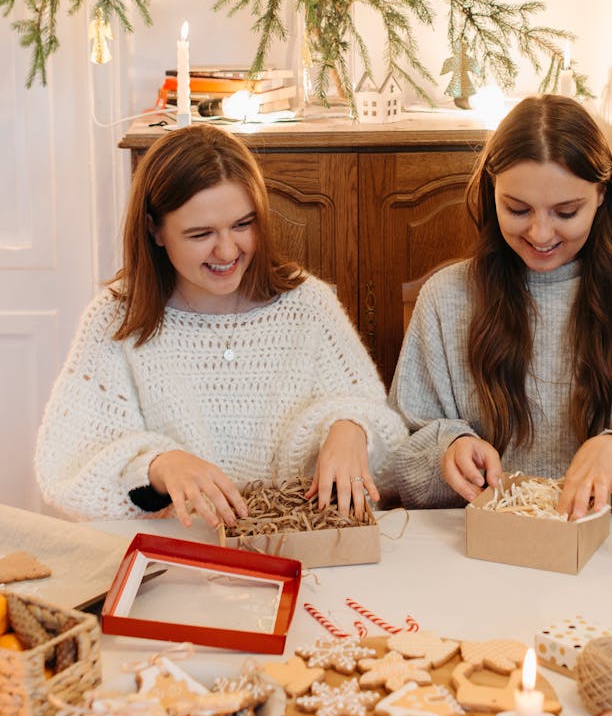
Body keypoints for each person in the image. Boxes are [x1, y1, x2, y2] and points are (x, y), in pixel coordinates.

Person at [35, 123, 406, 528]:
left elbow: (385, 433)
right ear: (153, 229)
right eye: (201, 234)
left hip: (304, 552)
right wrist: (159, 465)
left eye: (243, 225)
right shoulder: (116, 321)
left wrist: (353, 428)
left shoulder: (308, 305)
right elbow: (67, 467)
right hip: (174, 555)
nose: (228, 250)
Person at [388, 94, 612, 522]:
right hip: (481, 556)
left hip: (608, 562)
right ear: (491, 189)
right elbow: (395, 453)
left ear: (601, 196)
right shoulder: (447, 298)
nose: (540, 232)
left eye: (566, 212)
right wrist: (447, 450)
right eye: (517, 209)